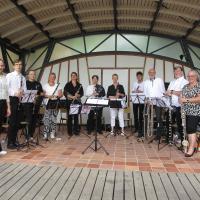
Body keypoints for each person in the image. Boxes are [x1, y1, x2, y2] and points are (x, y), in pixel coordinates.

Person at [6, 59, 26, 149]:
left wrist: (22, 92)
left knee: (17, 123)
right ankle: (10, 143)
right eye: (17, 64)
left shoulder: (23, 77)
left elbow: (25, 89)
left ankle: (14, 142)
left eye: (20, 64)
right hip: (12, 99)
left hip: (20, 100)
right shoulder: (9, 75)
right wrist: (15, 93)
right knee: (12, 123)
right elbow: (7, 88)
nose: (18, 66)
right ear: (14, 66)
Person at [166, 66, 188, 145]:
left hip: (180, 106)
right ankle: (169, 139)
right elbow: (167, 92)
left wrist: (171, 92)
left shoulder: (185, 82)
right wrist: (169, 92)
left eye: (178, 71)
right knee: (168, 122)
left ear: (182, 72)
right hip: (171, 106)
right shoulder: (172, 82)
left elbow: (182, 93)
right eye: (175, 71)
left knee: (180, 124)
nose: (176, 72)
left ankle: (183, 141)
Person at [180, 70, 200, 157]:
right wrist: (181, 99)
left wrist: (186, 100)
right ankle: (192, 146)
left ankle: (191, 149)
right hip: (185, 112)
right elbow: (181, 98)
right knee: (188, 130)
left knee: (191, 129)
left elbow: (199, 99)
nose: (190, 78)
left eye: (192, 76)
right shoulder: (185, 86)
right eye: (188, 76)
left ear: (196, 77)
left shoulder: (198, 86)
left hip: (195, 112)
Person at [143, 68, 165, 139]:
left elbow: (163, 91)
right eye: (150, 72)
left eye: (153, 72)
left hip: (158, 101)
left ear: (155, 73)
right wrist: (147, 100)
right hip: (149, 102)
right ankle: (145, 133)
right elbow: (145, 93)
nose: (151, 74)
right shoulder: (146, 82)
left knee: (159, 118)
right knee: (146, 116)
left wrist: (161, 99)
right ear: (148, 73)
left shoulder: (159, 80)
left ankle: (158, 135)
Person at [22, 70, 43, 141]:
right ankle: (27, 136)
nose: (33, 75)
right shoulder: (25, 83)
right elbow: (23, 93)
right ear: (28, 75)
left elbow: (41, 93)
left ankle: (31, 135)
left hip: (35, 104)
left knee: (34, 120)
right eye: (31, 74)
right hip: (27, 104)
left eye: (34, 74)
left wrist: (39, 95)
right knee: (29, 120)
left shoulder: (38, 83)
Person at [43, 73, 62, 139]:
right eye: (51, 77)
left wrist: (55, 96)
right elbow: (43, 94)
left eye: (53, 77)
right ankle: (45, 133)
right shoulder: (45, 85)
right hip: (47, 103)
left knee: (54, 119)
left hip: (55, 103)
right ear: (49, 77)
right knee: (47, 119)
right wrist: (49, 96)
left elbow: (60, 94)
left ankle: (52, 132)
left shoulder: (58, 85)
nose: (52, 78)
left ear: (55, 78)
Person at [64, 72, 84, 136]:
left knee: (76, 117)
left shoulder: (79, 85)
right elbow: (65, 93)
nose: (73, 76)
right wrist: (72, 97)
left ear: (76, 77)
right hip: (69, 102)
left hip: (77, 102)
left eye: (74, 75)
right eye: (72, 75)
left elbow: (82, 93)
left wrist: (77, 95)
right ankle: (70, 132)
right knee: (69, 117)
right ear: (71, 76)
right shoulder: (68, 84)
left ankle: (76, 131)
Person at [0, 59, 11, 155]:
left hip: (3, 103)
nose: (1, 67)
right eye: (0, 65)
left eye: (2, 65)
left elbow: (7, 93)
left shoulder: (5, 77)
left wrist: (8, 107)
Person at [132, 71, 144, 138]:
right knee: (135, 115)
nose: (139, 77)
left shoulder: (144, 83)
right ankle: (136, 128)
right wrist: (135, 91)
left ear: (142, 76)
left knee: (141, 116)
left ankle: (140, 129)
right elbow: (132, 91)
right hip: (135, 101)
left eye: (140, 76)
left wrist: (140, 91)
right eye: (138, 76)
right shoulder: (134, 83)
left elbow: (145, 92)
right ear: (136, 77)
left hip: (141, 101)